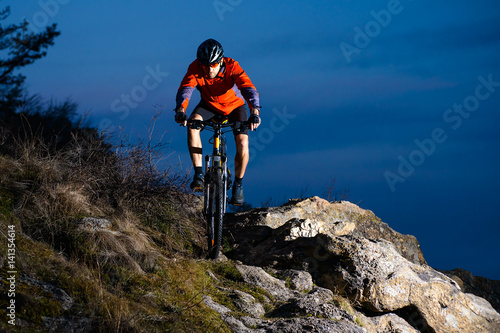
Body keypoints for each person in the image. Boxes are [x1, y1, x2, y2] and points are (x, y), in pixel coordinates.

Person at [174, 39, 261, 205]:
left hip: (235, 107)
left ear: (220, 61)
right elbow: (186, 89)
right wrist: (180, 111)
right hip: (209, 105)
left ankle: (238, 184)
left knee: (242, 142)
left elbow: (248, 88)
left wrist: (255, 112)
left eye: (212, 65)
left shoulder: (232, 66)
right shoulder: (195, 68)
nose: (208, 69)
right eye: (205, 65)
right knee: (193, 125)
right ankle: (199, 174)